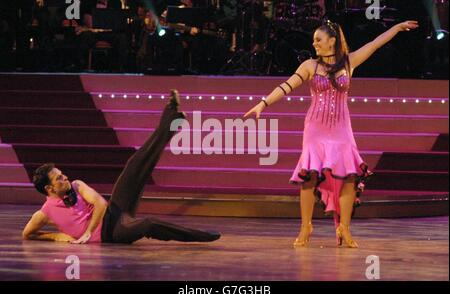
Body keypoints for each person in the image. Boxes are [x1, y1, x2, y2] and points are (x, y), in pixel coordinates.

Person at [244, 20, 419, 248]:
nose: (314, 43)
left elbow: (375, 44)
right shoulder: (309, 65)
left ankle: (344, 228)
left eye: (318, 39)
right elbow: (286, 86)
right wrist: (262, 104)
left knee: (349, 177)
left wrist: (396, 28)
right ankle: (306, 226)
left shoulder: (349, 62)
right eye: (314, 40)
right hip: (316, 128)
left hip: (341, 128)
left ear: (332, 41)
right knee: (309, 175)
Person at [22, 90, 221, 244]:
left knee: (135, 165)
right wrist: (56, 236)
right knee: (148, 224)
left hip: (113, 212)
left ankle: (171, 117)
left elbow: (100, 203)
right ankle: (201, 236)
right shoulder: (45, 212)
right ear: (49, 188)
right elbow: (27, 234)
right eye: (58, 178)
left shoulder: (76, 185)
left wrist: (88, 232)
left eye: (61, 174)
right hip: (113, 233)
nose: (64, 177)